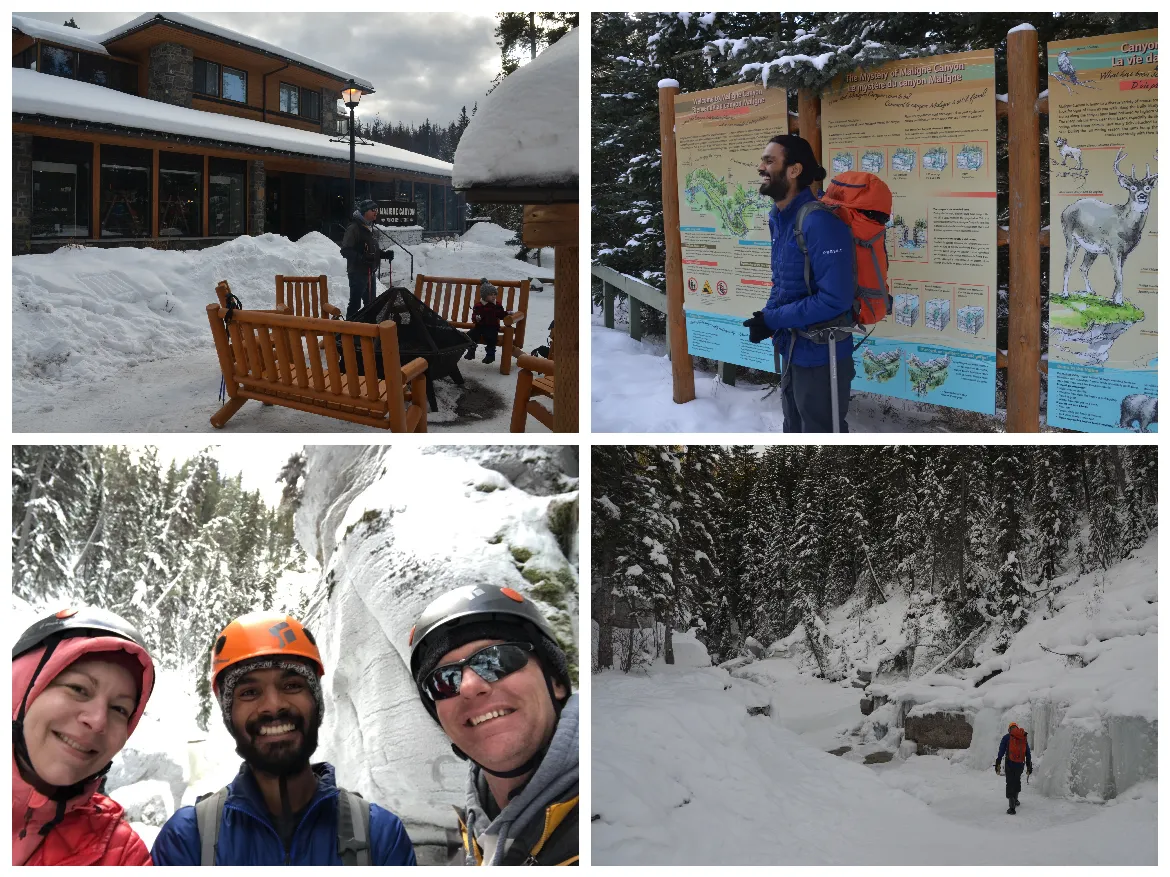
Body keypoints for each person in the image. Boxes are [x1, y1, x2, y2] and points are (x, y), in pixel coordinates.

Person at [151, 612, 415, 866]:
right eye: (250, 692)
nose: (274, 706)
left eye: (292, 686)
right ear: (228, 714)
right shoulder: (188, 841)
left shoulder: (380, 837)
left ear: (317, 702)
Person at [409, 585, 578, 866]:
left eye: (496, 658)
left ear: (556, 682)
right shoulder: (475, 835)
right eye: (443, 680)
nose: (469, 686)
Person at [12, 607, 157, 866]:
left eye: (119, 709)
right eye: (78, 689)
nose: (98, 721)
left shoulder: (121, 855)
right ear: (20, 688)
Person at [742, 134, 856, 432]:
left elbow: (835, 299)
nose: (760, 167)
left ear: (794, 170)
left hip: (822, 355)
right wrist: (766, 317)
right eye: (762, 160)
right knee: (793, 429)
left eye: (769, 160)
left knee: (821, 435)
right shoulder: (779, 217)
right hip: (793, 348)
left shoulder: (820, 222)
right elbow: (783, 280)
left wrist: (773, 318)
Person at [339, 199, 391, 320]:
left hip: (369, 272)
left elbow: (372, 251)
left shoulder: (369, 227)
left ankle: (369, 331)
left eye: (376, 210)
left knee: (371, 304)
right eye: (373, 210)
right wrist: (361, 258)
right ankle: (348, 332)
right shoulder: (354, 228)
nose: (376, 212)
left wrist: (383, 254)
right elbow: (345, 250)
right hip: (357, 273)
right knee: (355, 304)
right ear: (364, 211)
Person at [463, 280, 510, 365]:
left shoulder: (497, 306)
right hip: (480, 326)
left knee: (491, 337)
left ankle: (490, 355)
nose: (493, 296)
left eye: (494, 294)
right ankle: (471, 351)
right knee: (471, 334)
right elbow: (474, 316)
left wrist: (508, 313)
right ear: (484, 296)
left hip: (492, 327)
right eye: (491, 294)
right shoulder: (478, 306)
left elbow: (501, 315)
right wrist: (476, 318)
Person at [994, 721, 1033, 814]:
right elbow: (1027, 752)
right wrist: (1028, 764)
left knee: (1010, 783)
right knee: (1017, 780)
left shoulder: (1007, 737)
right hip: (1020, 765)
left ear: (1009, 729)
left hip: (1010, 764)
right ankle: (1016, 800)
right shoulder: (1022, 738)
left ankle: (1012, 808)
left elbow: (1001, 751)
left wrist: (998, 761)